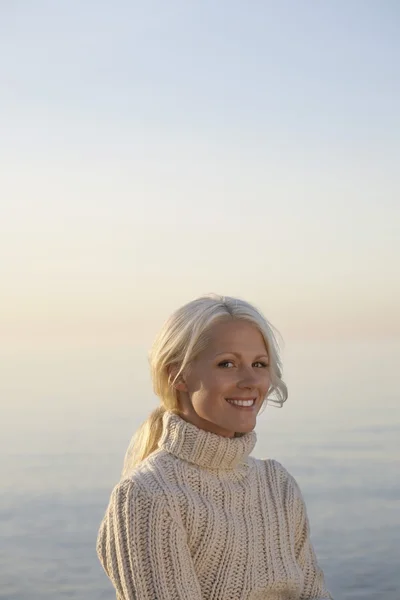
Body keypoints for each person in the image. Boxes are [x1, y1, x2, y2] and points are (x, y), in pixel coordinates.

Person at [96, 294, 333, 600]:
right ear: (177, 375)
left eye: (259, 364)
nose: (251, 380)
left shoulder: (277, 485)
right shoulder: (148, 495)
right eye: (227, 364)